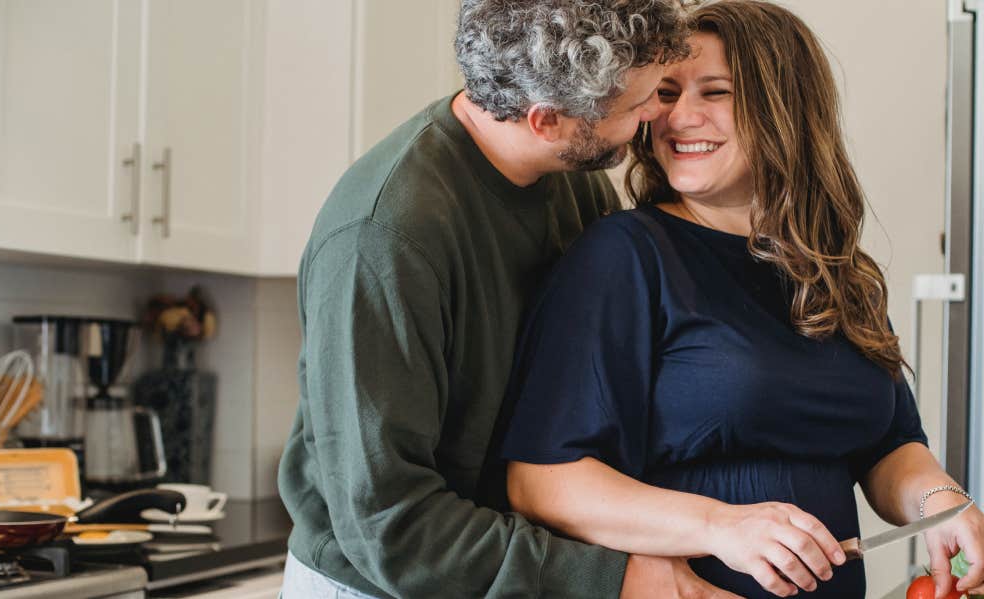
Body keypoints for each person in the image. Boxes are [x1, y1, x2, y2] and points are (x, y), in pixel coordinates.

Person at [501, 2, 984, 598]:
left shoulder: (834, 269)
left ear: (784, 108)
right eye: (665, 94)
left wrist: (943, 503)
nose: (678, 117)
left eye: (714, 92)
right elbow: (540, 481)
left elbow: (888, 444)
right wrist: (722, 525)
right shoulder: (624, 256)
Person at [276, 1, 740, 597]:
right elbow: (390, 524)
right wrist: (613, 579)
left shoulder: (575, 184)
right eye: (639, 103)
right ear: (547, 120)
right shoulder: (384, 238)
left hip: (500, 565)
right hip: (380, 582)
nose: (660, 114)